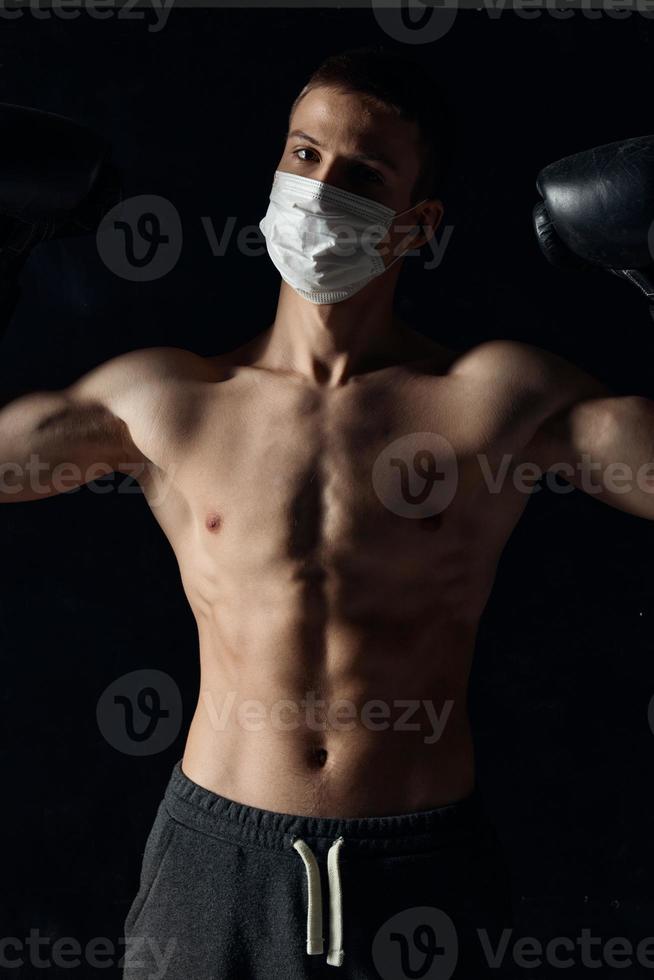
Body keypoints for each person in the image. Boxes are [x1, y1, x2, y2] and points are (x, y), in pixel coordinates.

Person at [2, 46, 653, 980]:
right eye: (303, 155)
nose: (317, 187)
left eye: (362, 174)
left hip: (421, 869)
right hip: (214, 864)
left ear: (416, 225)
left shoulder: (493, 403)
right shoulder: (168, 403)